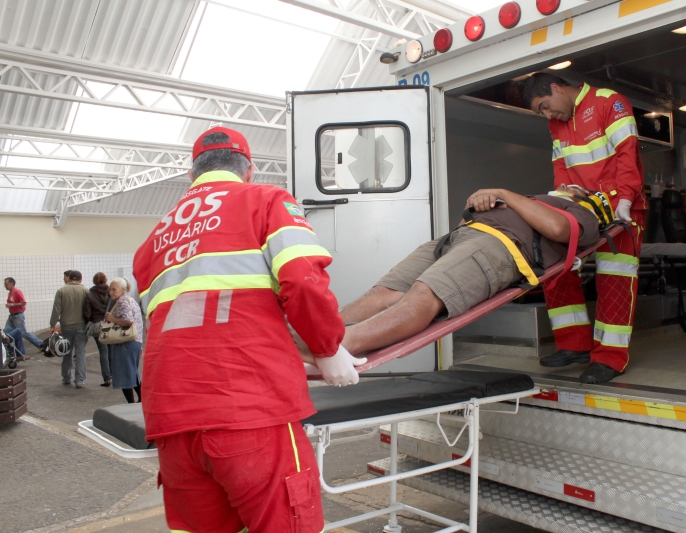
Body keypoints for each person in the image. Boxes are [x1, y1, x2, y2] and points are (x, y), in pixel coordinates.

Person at [133, 126, 361, 533]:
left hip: (172, 418)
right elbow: (302, 280)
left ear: (192, 174)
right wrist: (327, 349)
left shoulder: (153, 241)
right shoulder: (266, 200)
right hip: (250, 407)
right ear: (249, 169)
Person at [324, 187, 600, 357]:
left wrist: (503, 194)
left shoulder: (580, 210)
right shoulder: (531, 198)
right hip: (457, 237)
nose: (563, 185)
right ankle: (317, 334)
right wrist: (478, 204)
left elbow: (558, 229)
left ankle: (338, 347)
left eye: (571, 187)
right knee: (384, 292)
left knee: (425, 293)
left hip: (500, 245)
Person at [524, 73, 648, 384]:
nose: (548, 115)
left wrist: (626, 198)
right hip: (584, 210)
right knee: (556, 268)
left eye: (545, 106)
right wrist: (559, 204)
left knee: (615, 279)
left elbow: (627, 153)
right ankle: (574, 345)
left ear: (556, 88)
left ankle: (609, 358)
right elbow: (561, 169)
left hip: (620, 208)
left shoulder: (609, 102)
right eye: (541, 112)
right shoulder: (557, 124)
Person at [104, 278, 142, 403]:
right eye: (110, 289)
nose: (111, 292)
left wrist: (113, 318)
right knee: (132, 372)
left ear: (123, 290)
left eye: (114, 289)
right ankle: (141, 399)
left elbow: (128, 320)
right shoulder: (131, 300)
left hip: (125, 342)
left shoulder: (122, 301)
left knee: (124, 375)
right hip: (135, 341)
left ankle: (132, 403)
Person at [50, 270, 89, 387]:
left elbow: (56, 310)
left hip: (66, 326)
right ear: (80, 279)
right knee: (80, 353)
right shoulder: (85, 291)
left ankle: (66, 377)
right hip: (82, 326)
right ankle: (79, 380)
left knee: (66, 351)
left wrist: (52, 325)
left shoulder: (61, 291)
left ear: (69, 278)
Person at [83, 272, 111, 386]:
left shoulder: (90, 294)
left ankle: (107, 378)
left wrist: (90, 320)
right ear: (105, 280)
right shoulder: (111, 291)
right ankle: (115, 375)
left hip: (97, 325)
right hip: (110, 323)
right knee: (112, 350)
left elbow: (87, 312)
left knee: (103, 351)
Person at [4, 277, 44, 351]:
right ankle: (11, 349)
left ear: (11, 284)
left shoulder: (17, 292)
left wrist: (12, 305)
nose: (5, 286)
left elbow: (23, 302)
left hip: (17, 316)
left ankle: (41, 344)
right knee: (6, 331)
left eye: (6, 284)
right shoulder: (10, 293)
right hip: (12, 316)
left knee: (23, 333)